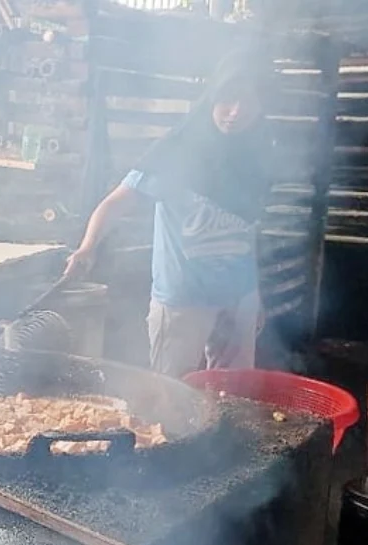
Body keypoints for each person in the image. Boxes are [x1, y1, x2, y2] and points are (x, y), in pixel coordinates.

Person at [63, 50, 275, 379]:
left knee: (236, 398)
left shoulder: (259, 158)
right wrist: (88, 246)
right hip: (181, 303)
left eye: (248, 102)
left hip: (239, 298)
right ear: (212, 96)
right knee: (170, 399)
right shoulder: (177, 151)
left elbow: (248, 235)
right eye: (228, 99)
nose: (236, 112)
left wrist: (255, 295)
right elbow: (116, 202)